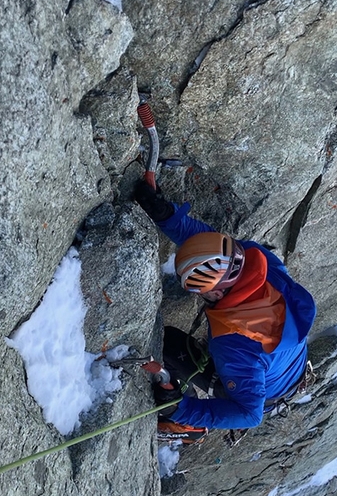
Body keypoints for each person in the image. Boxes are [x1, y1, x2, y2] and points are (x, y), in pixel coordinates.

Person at [134, 179, 316, 439]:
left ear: (218, 292)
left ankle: (191, 428)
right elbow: (206, 246)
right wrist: (167, 216)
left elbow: (249, 414)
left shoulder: (231, 343)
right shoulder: (259, 261)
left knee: (170, 346)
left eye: (198, 291)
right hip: (286, 364)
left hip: (262, 390)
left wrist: (181, 408)